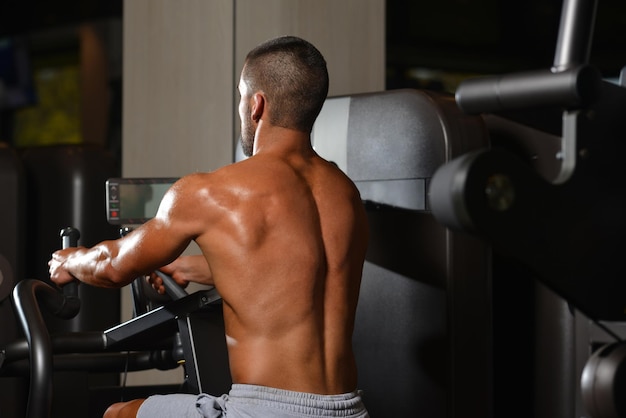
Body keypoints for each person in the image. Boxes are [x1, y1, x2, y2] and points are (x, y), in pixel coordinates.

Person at [48, 35, 370, 417]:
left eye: (240, 96)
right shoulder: (345, 193)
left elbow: (112, 265)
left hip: (265, 411)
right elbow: (298, 272)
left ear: (257, 105)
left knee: (118, 413)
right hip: (350, 408)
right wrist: (190, 267)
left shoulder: (211, 191)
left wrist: (70, 262)